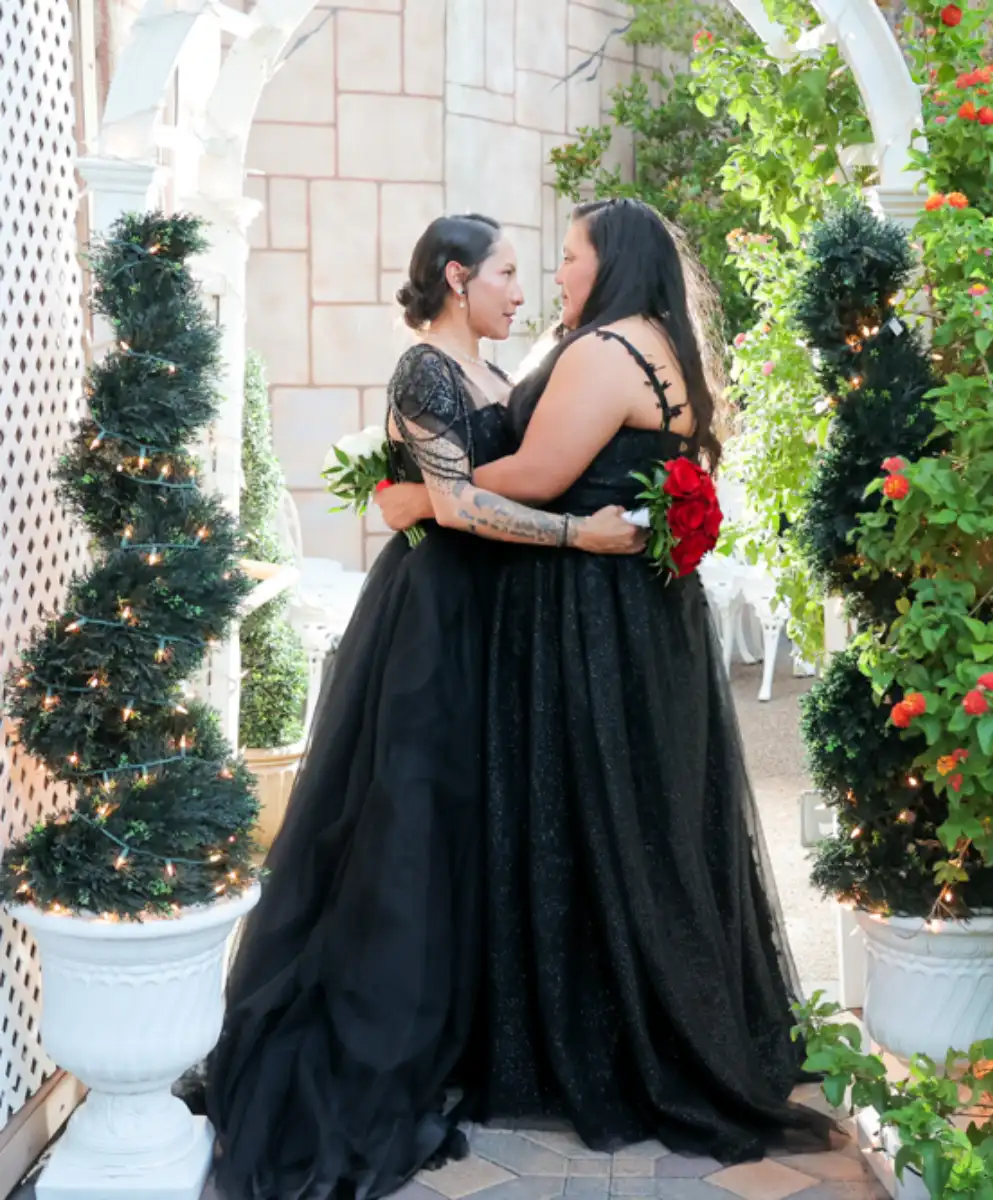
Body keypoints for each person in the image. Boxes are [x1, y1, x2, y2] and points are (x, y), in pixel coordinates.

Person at [375, 198, 834, 1163]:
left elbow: (540, 475)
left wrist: (425, 489)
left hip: (584, 614)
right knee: (643, 818)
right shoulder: (664, 345)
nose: (557, 274)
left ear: (611, 262)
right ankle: (652, 1015)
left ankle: (602, 1040)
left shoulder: (603, 350)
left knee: (584, 816)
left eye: (572, 256)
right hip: (644, 613)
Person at [207, 213, 645, 1200]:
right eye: (503, 274)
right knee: (411, 825)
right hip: (436, 619)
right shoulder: (425, 373)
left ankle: (481, 1029)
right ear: (455, 278)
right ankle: (377, 1038)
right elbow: (456, 506)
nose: (519, 290)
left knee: (477, 822)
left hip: (498, 618)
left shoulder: (496, 372)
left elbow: (474, 456)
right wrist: (584, 539)